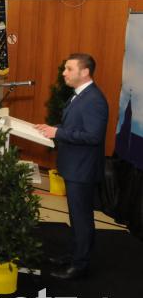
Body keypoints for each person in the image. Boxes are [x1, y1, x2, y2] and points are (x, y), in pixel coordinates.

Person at [35, 53, 108, 280]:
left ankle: (80, 264)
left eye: (68, 69)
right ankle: (75, 253)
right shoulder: (79, 95)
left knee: (81, 217)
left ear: (84, 72)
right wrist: (51, 128)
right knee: (76, 216)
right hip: (73, 166)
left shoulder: (93, 99)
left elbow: (93, 136)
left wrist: (58, 132)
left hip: (82, 169)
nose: (64, 73)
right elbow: (73, 125)